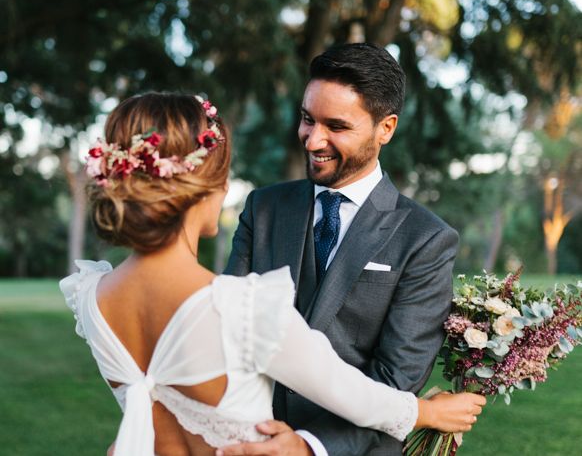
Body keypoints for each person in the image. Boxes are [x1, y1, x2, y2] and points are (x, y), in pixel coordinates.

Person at [60, 92, 485, 456]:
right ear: (209, 187)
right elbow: (352, 394)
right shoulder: (242, 308)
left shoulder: (91, 295)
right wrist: (429, 412)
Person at [222, 43, 461, 456]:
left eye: (336, 126)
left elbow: (395, 382)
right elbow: (226, 335)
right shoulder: (263, 208)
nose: (313, 140)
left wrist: (307, 446)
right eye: (306, 119)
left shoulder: (426, 239)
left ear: (385, 128)